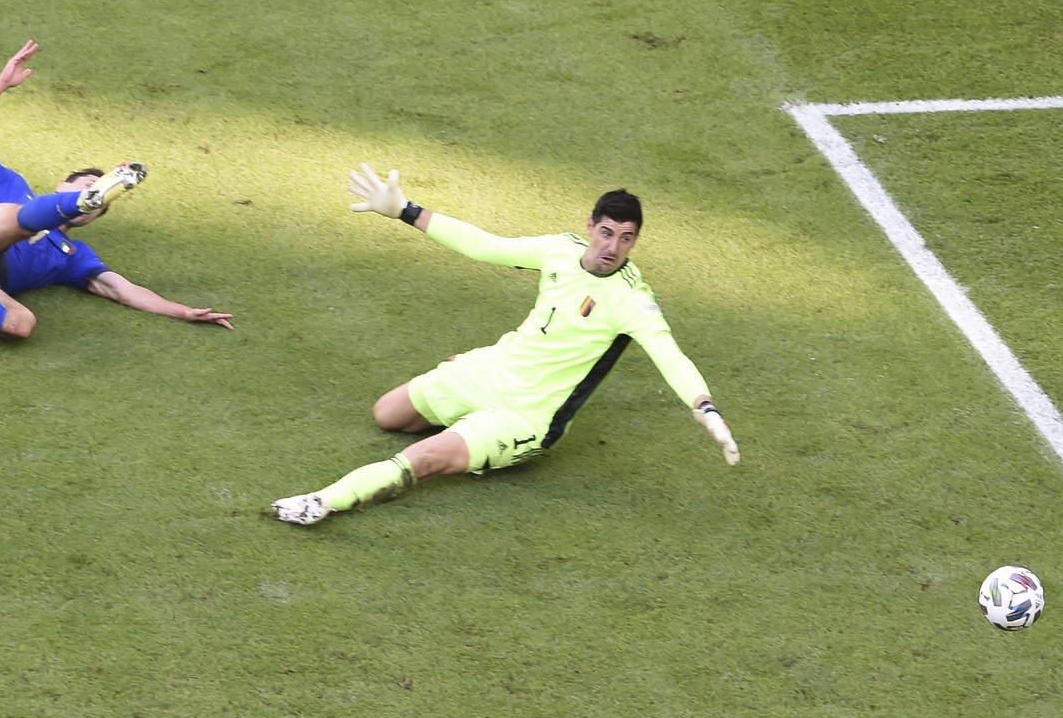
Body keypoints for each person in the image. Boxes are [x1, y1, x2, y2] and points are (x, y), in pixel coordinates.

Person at [271, 164, 740, 524]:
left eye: (626, 238)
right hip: (490, 370)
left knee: (424, 459)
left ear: (635, 242)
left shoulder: (632, 301)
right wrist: (406, 211)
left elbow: (671, 357)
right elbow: (486, 245)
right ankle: (462, 418)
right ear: (590, 225)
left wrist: (705, 407)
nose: (612, 247)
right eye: (606, 232)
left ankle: (322, 502)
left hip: (526, 415)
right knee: (386, 415)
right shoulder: (559, 249)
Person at [0, 40, 235, 337]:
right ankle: (71, 203)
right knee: (18, 217)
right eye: (89, 188)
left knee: (22, 324)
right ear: (63, 186)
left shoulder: (72, 256)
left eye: (97, 203)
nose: (96, 202)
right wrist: (2, 83)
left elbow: (122, 289)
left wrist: (183, 312)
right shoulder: (9, 185)